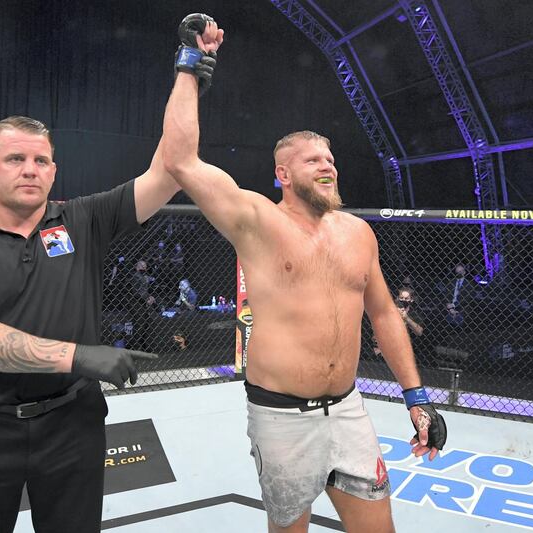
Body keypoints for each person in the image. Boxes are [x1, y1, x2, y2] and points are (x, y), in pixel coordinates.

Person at [0, 35, 221, 530]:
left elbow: (173, 166)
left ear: (54, 169)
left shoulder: (82, 219)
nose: (30, 170)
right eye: (15, 159)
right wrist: (77, 356)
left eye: (42, 161)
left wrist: (188, 71)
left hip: (74, 423)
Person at [162, 16, 446, 532]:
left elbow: (383, 313)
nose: (328, 165)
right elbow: (181, 161)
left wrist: (417, 399)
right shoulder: (258, 222)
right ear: (283, 174)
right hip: (280, 418)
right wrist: (191, 65)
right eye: (313, 158)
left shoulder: (358, 233)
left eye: (331, 157)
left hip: (349, 410)